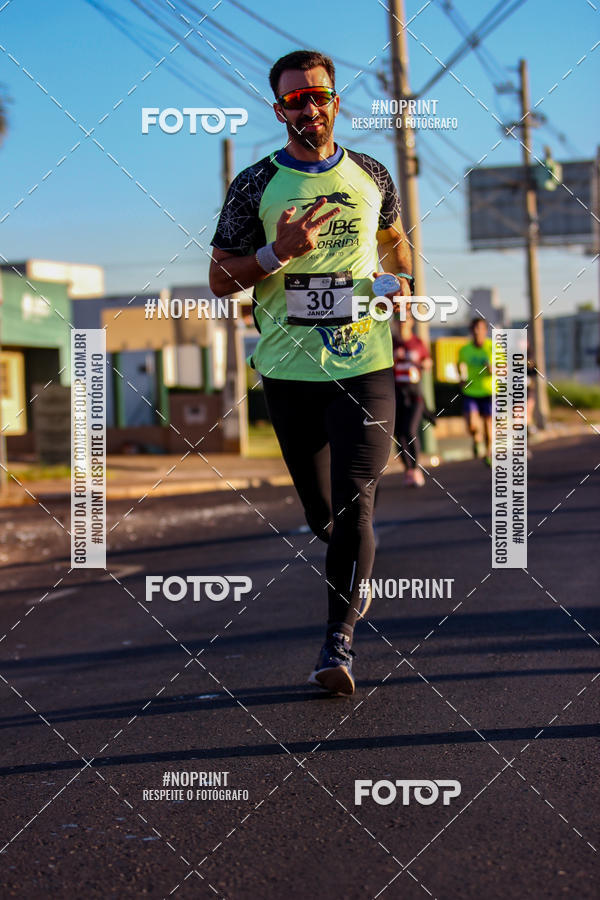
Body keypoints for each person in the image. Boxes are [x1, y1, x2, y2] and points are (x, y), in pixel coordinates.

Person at [209, 49, 413, 695]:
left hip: (365, 364)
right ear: (280, 111)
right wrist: (277, 253)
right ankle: (355, 568)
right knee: (325, 520)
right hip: (288, 371)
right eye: (296, 99)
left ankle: (337, 643)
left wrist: (401, 280)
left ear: (335, 101)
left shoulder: (372, 173)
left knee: (355, 507)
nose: (310, 107)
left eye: (319, 95)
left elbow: (394, 243)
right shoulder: (254, 184)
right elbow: (218, 279)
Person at [392, 305, 432, 486]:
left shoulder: (417, 343)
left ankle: (415, 468)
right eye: (399, 319)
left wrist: (424, 364)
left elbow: (428, 362)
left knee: (409, 430)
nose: (402, 322)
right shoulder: (391, 343)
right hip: (396, 395)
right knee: (398, 434)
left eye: (406, 319)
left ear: (411, 322)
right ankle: (407, 469)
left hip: (415, 395)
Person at [458, 317, 493, 466]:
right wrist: (461, 378)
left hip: (489, 391)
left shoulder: (493, 347)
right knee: (472, 425)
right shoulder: (464, 350)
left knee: (488, 426)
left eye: (480, 328)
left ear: (485, 330)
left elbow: (505, 368)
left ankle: (488, 453)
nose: (477, 331)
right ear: (471, 331)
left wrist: (494, 369)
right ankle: (477, 438)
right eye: (475, 329)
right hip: (471, 391)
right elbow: (460, 366)